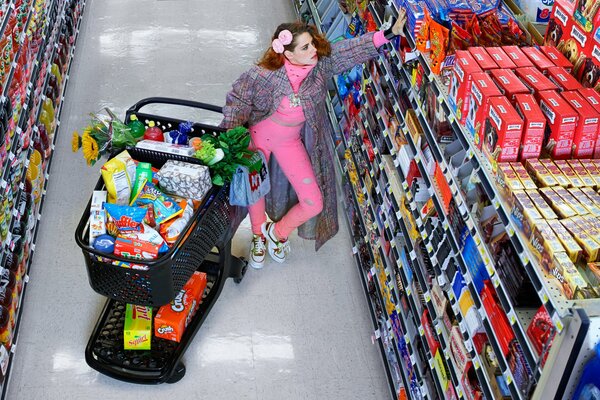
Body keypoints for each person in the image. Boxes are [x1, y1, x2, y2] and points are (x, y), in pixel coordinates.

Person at [220, 8, 408, 269]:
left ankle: (278, 233)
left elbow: (349, 51)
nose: (313, 51)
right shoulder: (264, 75)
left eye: (312, 44)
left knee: (314, 201)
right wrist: (229, 134)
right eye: (306, 47)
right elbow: (238, 98)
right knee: (255, 188)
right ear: (287, 54)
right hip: (258, 138)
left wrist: (387, 34)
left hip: (289, 142)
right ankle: (258, 235)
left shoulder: (320, 68)